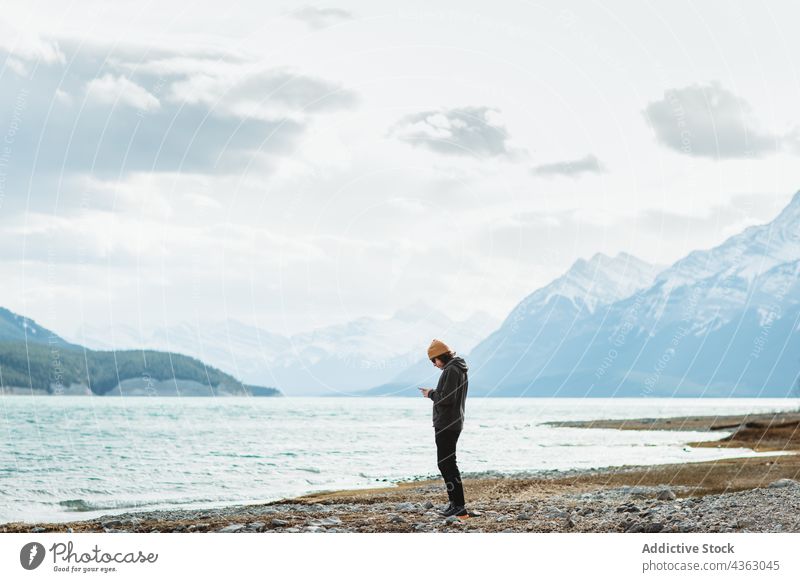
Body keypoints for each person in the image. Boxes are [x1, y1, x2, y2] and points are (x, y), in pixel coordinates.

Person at [418, 338, 470, 519]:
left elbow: (447, 398)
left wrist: (430, 394)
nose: (434, 364)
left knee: (446, 464)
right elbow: (450, 396)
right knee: (448, 463)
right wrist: (434, 393)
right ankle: (456, 504)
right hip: (452, 422)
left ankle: (458, 506)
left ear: (442, 356)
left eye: (434, 360)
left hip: (447, 423)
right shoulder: (458, 368)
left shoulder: (452, 370)